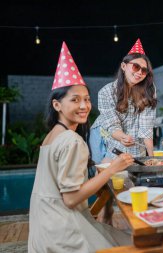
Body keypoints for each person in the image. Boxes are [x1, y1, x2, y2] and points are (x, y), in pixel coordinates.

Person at [28, 42, 134, 253]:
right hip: (65, 234)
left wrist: (99, 166)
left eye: (86, 99)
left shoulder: (52, 136)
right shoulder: (72, 140)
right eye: (75, 100)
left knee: (116, 235)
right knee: (136, 243)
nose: (84, 106)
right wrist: (113, 168)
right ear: (57, 105)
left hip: (43, 230)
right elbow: (71, 198)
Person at [90, 38, 157, 164]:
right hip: (102, 133)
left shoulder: (149, 89)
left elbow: (146, 126)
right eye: (136, 67)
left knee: (135, 161)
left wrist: (151, 158)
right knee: (103, 167)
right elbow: (113, 125)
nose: (139, 73)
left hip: (125, 135)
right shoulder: (106, 92)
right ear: (123, 66)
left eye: (144, 70)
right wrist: (122, 137)